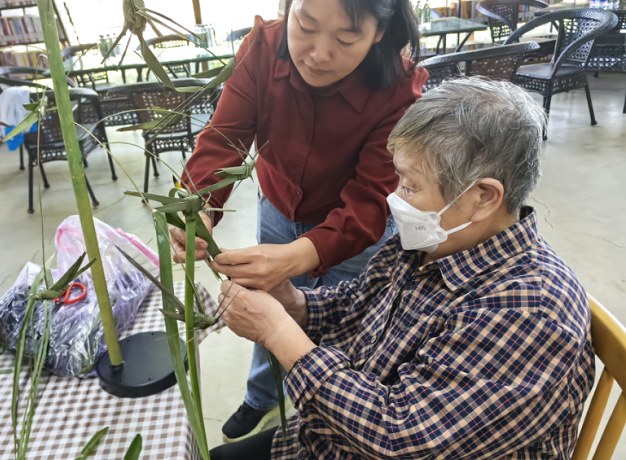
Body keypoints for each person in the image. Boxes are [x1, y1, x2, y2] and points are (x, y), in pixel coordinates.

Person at [211, 77, 595, 460]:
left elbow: (399, 438)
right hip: (329, 433)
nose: (395, 198)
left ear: (482, 197)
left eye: (410, 187)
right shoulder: (433, 244)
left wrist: (278, 333)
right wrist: (295, 304)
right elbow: (358, 301)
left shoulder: (530, 311)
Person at [171, 0, 426, 442]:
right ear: (289, 0)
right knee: (267, 307)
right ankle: (261, 396)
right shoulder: (262, 49)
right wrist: (196, 207)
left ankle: (328, 426)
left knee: (348, 325)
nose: (318, 53)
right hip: (278, 208)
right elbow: (224, 139)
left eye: (346, 38)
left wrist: (296, 257)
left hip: (353, 232)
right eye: (305, 24)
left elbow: (371, 199)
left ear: (379, 30)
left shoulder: (398, 89)